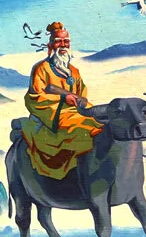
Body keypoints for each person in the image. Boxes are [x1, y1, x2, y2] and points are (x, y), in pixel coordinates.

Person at [19, 23, 102, 180]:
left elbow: (82, 92)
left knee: (99, 122)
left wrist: (81, 102)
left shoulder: (74, 71)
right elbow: (35, 98)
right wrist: (63, 97)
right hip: (52, 116)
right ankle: (77, 176)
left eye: (66, 42)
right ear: (51, 45)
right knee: (82, 129)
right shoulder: (41, 69)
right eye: (58, 41)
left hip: (74, 112)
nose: (63, 45)